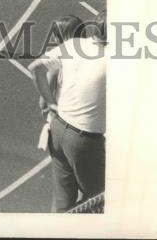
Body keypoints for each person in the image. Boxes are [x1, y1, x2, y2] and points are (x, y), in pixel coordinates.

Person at [29, 12, 107, 212]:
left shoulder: (73, 45)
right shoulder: (113, 58)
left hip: (58, 128)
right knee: (101, 199)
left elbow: (35, 67)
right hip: (85, 138)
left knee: (63, 200)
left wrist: (50, 101)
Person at [35, 15, 84, 152]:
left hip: (63, 124)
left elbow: (44, 100)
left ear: (59, 38)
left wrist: (46, 107)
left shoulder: (57, 61)